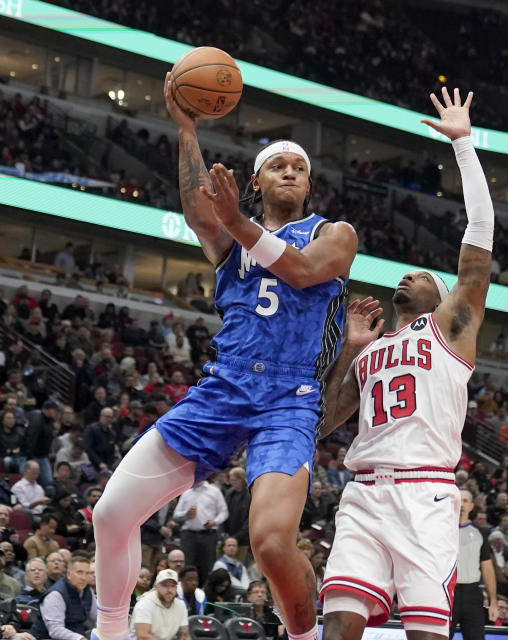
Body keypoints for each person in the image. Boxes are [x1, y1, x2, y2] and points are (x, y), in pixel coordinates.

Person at [91, 69, 359, 640]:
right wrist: (186, 127)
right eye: (278, 166)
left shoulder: (334, 233)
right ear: (257, 181)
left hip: (290, 398)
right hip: (226, 385)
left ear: (308, 186)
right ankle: (109, 631)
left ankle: (304, 636)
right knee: (110, 514)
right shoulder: (230, 238)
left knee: (268, 542)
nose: (291, 171)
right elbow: (198, 212)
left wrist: (236, 221)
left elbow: (305, 272)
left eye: (300, 168)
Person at [317, 87, 494, 640]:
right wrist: (347, 350)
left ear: (441, 296)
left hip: (426, 493)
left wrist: (463, 145)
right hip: (365, 491)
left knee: (424, 632)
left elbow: (479, 241)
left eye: (420, 275)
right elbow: (324, 421)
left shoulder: (450, 326)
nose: (406, 276)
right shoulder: (369, 347)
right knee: (340, 622)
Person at [451, 490, 497, 640]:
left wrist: (493, 601)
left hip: (472, 593)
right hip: (447, 593)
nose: (462, 504)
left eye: (465, 501)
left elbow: (487, 569)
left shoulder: (481, 532)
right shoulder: (441, 530)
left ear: (471, 506)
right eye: (459, 500)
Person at [172, 479, 228, 584]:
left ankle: (204, 595)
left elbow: (223, 512)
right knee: (187, 566)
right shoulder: (186, 492)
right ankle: (185, 593)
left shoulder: (214, 491)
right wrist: (186, 514)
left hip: (208, 534)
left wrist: (214, 521)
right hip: (189, 534)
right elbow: (176, 515)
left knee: (207, 566)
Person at [32, 555, 96, 640]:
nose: (84, 578)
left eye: (87, 573)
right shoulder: (55, 595)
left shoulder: (88, 591)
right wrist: (80, 638)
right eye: (79, 572)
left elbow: (97, 617)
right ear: (69, 574)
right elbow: (55, 630)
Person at [130, 568, 188, 640]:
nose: (169, 590)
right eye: (165, 585)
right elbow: (143, 636)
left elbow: (184, 635)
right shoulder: (144, 604)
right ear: (156, 587)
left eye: (173, 586)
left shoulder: (181, 606)